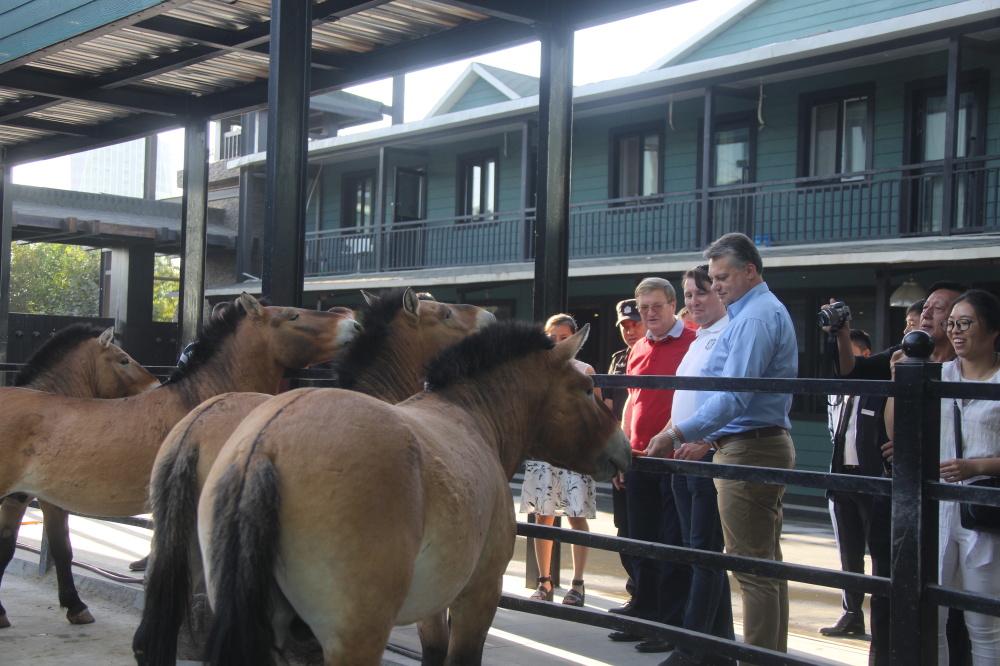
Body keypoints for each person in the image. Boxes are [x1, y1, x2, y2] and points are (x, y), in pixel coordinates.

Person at [646, 232, 797, 660]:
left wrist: (676, 433)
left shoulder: (752, 318)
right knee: (764, 565)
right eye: (713, 278)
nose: (716, 287)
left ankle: (760, 658)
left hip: (748, 444)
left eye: (723, 277)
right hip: (754, 442)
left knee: (752, 569)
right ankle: (769, 657)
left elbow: (734, 396)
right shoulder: (757, 312)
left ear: (751, 271)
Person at [609, 277, 695, 653]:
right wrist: (624, 452)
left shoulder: (693, 342)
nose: (649, 314)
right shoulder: (639, 346)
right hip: (640, 457)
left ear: (673, 304)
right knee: (639, 541)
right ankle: (643, 613)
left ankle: (670, 625)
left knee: (672, 544)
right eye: (644, 308)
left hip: (675, 458)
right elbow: (632, 400)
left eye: (656, 306)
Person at [660, 265, 735, 666]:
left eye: (701, 293)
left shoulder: (731, 335)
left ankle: (689, 651)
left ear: (720, 293)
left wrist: (706, 441)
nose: (693, 302)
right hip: (682, 456)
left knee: (706, 555)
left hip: (708, 456)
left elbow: (733, 399)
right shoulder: (698, 339)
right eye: (688, 294)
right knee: (700, 556)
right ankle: (721, 652)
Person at [519, 313, 599, 607]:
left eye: (564, 337)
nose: (557, 342)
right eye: (552, 337)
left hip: (575, 452)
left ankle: (578, 583)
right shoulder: (534, 370)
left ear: (574, 339)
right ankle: (544, 581)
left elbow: (595, 415)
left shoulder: (584, 369)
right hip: (544, 453)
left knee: (577, 516)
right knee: (543, 517)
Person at [820, 329, 887, 641]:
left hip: (873, 480)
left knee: (879, 552)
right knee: (848, 552)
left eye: (853, 354)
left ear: (868, 357)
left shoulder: (882, 389)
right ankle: (851, 613)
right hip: (841, 476)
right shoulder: (837, 390)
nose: (846, 361)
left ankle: (884, 617)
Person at [603, 298, 647, 615]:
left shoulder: (658, 354)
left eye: (636, 324)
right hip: (621, 453)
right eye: (625, 326)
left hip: (648, 451)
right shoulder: (618, 359)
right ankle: (636, 593)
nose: (630, 331)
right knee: (625, 527)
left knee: (650, 530)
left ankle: (650, 598)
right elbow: (607, 412)